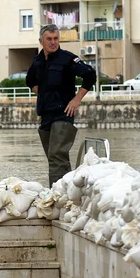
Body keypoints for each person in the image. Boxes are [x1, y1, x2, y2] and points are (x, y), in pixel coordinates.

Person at [25, 24, 96, 187]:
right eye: (49, 39)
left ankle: (57, 194)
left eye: (56, 38)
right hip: (45, 115)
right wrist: (42, 94)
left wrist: (76, 99)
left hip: (64, 113)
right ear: (41, 41)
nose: (53, 42)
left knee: (58, 154)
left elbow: (90, 75)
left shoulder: (67, 59)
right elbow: (30, 80)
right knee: (54, 157)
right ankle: (66, 189)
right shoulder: (38, 61)